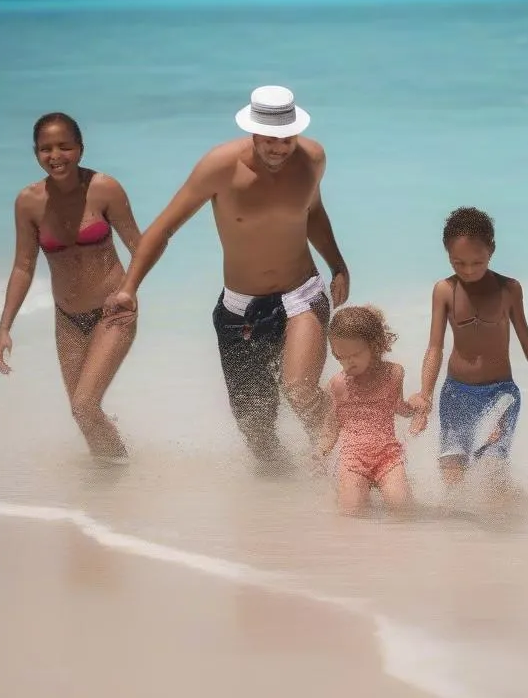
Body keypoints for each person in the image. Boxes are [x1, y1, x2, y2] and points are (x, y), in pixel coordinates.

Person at [104, 85, 349, 466]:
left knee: (300, 388)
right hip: (240, 309)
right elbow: (163, 229)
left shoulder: (313, 158)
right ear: (253, 132)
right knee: (256, 427)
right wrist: (128, 288)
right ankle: (282, 499)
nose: (279, 148)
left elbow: (312, 212)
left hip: (300, 292)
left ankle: (344, 466)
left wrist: (337, 264)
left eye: (287, 139)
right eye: (270, 139)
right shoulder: (218, 167)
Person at [0, 113, 142, 462]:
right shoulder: (28, 202)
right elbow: (23, 266)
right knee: (82, 415)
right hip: (68, 319)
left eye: (65, 146)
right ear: (36, 153)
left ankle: (122, 476)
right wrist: (4, 328)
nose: (55, 155)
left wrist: (129, 290)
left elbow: (140, 246)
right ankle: (114, 480)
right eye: (46, 149)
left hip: (113, 313)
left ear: (80, 149)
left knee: (85, 404)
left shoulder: (105, 188)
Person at [408, 206, 528, 498]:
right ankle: (466, 541)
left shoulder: (509, 289)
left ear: (492, 251)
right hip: (456, 394)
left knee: (492, 470)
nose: (468, 270)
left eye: (477, 262)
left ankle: (511, 519)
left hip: (501, 393)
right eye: (459, 263)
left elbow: (527, 342)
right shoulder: (444, 291)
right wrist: (426, 395)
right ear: (446, 253)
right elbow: (435, 346)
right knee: (454, 484)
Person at [318, 305, 415, 518]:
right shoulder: (337, 385)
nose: (348, 362)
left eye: (355, 355)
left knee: (404, 509)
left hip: (388, 456)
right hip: (354, 460)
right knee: (351, 513)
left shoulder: (394, 374)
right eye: (341, 356)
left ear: (375, 346)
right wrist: (321, 451)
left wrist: (414, 409)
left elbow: (397, 406)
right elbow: (331, 426)